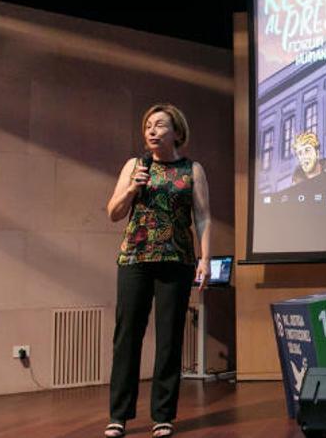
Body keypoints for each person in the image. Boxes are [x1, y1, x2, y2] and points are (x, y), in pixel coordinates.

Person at [104, 103, 211, 438]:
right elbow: (113, 212)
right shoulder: (135, 166)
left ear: (176, 132)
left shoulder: (192, 170)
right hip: (135, 258)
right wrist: (132, 188)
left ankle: (163, 414)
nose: (151, 130)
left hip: (176, 261)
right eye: (148, 125)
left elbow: (203, 217)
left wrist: (205, 259)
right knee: (127, 337)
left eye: (159, 125)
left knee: (169, 338)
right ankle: (119, 415)